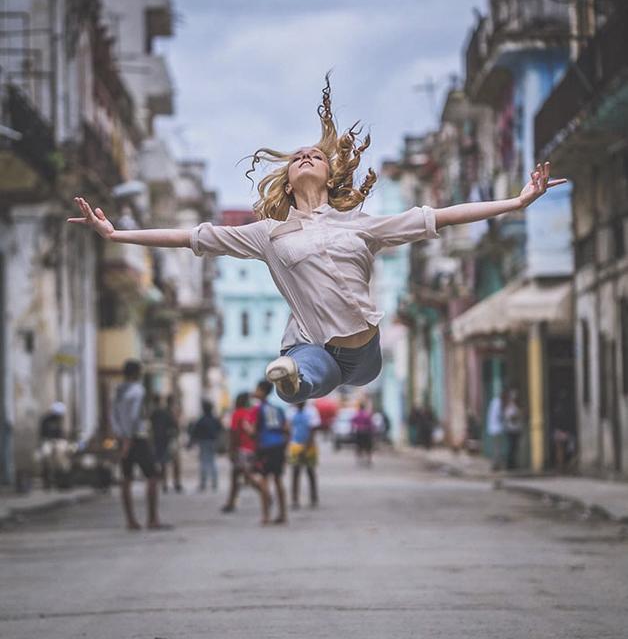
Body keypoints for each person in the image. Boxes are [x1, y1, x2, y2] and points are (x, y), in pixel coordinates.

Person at [69, 76, 567, 404]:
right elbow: (190, 237)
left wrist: (516, 202)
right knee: (301, 370)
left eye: (317, 155)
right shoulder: (267, 234)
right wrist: (116, 233)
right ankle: (290, 380)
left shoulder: (362, 225)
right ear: (287, 180)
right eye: (299, 156)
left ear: (330, 176)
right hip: (316, 347)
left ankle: (295, 376)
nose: (307, 154)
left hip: (364, 352)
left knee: (339, 367)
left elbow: (441, 215)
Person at [110, 359, 169, 530]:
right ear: (136, 373)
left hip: (123, 437)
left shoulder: (118, 391)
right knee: (152, 476)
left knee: (126, 478)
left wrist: (120, 436)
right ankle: (152, 518)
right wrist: (129, 438)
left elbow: (113, 415)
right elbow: (135, 415)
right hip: (137, 437)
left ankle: (130, 520)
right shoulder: (138, 390)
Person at [221, 392, 268, 519]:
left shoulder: (237, 414)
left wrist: (232, 449)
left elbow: (234, 433)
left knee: (247, 476)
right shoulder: (249, 413)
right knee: (236, 475)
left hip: (242, 449)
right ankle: (230, 502)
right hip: (251, 448)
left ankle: (266, 495)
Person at [251, 379, 289, 524]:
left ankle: (266, 515)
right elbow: (286, 429)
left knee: (264, 480)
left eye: (257, 389)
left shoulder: (258, 409)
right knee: (278, 480)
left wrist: (249, 430)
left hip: (265, 447)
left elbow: (254, 431)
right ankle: (283, 514)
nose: (255, 392)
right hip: (278, 445)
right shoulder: (278, 409)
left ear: (262, 391)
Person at [288, 401, 321, 509]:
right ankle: (294, 498)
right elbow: (288, 428)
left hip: (309, 445)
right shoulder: (291, 411)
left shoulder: (311, 411)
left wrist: (307, 445)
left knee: (310, 471)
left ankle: (313, 497)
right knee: (295, 471)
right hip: (295, 445)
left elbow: (314, 429)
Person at [188, 400, 223, 492]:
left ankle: (203, 483)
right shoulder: (214, 419)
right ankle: (214, 482)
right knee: (212, 461)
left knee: (204, 462)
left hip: (203, 442)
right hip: (212, 441)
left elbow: (195, 432)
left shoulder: (201, 420)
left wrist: (191, 442)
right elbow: (220, 429)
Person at [150, 395, 178, 493]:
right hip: (167, 439)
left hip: (158, 440)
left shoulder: (153, 413)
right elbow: (174, 426)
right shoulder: (165, 413)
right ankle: (175, 482)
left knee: (163, 463)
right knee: (172, 461)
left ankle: (165, 484)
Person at [503, 390, 524, 470]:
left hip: (516, 430)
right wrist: (519, 415)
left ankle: (513, 464)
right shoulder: (510, 408)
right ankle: (509, 465)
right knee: (511, 448)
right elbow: (511, 418)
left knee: (515, 448)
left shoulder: (516, 407)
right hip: (511, 430)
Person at [486, 389, 506, 471]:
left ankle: (496, 465)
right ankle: (495, 466)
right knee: (497, 449)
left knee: (496, 448)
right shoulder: (498, 403)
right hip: (496, 428)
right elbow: (499, 415)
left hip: (493, 428)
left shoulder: (494, 402)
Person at [352, 402, 374, 466]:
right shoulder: (367, 414)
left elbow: (353, 422)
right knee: (368, 446)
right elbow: (370, 424)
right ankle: (368, 459)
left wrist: (355, 428)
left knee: (359, 445)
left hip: (359, 432)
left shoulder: (357, 414)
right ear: (364, 407)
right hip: (366, 432)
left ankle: (360, 458)